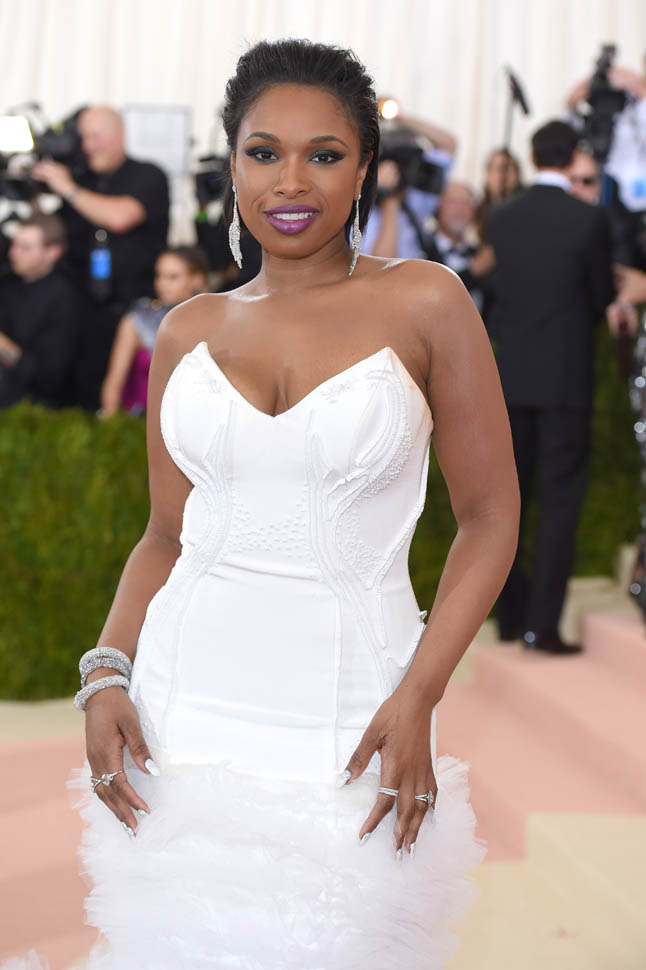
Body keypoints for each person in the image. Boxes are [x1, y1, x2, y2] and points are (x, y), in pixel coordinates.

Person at [3, 39, 519, 970]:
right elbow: (166, 535)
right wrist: (107, 672)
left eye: (324, 154)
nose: (291, 181)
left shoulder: (427, 302)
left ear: (363, 167)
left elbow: (489, 518)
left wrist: (420, 692)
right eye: (264, 151)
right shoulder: (187, 328)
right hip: (183, 701)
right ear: (232, 164)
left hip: (357, 706)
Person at [484, 120, 614, 654]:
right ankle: (542, 627)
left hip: (511, 378)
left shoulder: (501, 217)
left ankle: (509, 618)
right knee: (560, 503)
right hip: (564, 378)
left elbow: (496, 290)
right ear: (573, 155)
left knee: (507, 503)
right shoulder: (589, 219)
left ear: (533, 156)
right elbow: (600, 297)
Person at [31, 106, 170, 411]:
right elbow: (50, 234)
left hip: (133, 309)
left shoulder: (148, 175)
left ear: (120, 135)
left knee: (121, 396)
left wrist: (67, 188)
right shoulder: (79, 179)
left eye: (95, 136)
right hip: (80, 307)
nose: (88, 145)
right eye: (83, 138)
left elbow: (120, 217)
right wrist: (33, 193)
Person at [99, 246, 210, 418]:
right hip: (141, 423)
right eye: (159, 275)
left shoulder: (213, 321)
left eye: (172, 277)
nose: (162, 284)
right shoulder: (139, 320)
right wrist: (111, 425)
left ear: (197, 280)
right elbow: (114, 383)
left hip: (200, 421)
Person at [0, 213, 81, 408]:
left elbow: (49, 377)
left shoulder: (64, 299)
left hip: (34, 408)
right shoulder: (7, 284)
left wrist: (3, 346)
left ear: (52, 252)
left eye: (25, 248)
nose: (13, 253)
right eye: (14, 245)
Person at [421, 180, 495, 313]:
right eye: (453, 201)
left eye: (466, 203)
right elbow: (432, 297)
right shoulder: (420, 249)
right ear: (439, 206)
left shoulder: (481, 256)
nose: (460, 209)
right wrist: (471, 273)